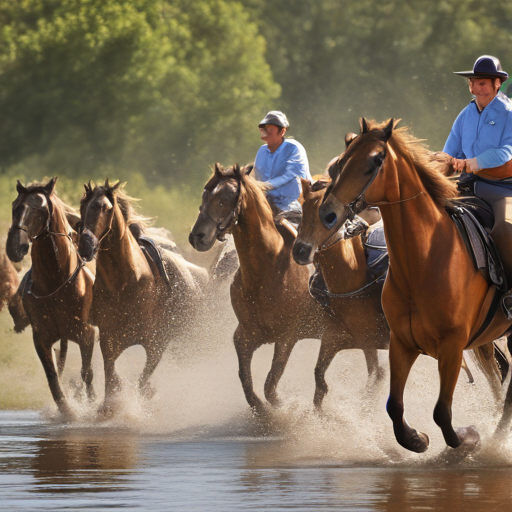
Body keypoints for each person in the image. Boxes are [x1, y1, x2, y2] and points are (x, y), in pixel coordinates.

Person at [440, 55, 512, 316]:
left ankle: (510, 293)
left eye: (483, 83)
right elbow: (450, 153)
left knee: (506, 229)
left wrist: (472, 163)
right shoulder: (465, 115)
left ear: (497, 84)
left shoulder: (509, 113)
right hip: (467, 186)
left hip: (504, 188)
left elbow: (506, 153)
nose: (477, 88)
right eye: (474, 83)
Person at [254, 110, 312, 224]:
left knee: (296, 229)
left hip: (292, 203)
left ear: (282, 131)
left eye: (270, 129)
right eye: (264, 128)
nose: (266, 132)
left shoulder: (294, 148)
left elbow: (290, 175)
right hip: (267, 203)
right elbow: (257, 177)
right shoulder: (261, 151)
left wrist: (265, 186)